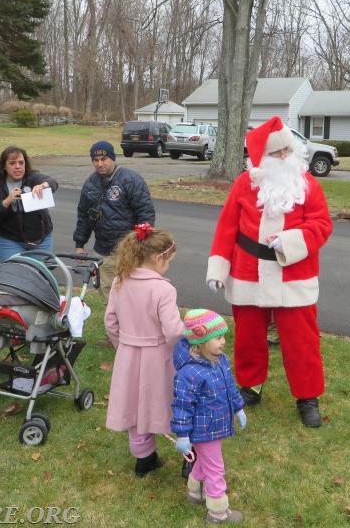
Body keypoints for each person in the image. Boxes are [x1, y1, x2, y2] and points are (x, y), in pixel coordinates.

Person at [205, 116, 333, 428]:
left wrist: (289, 241)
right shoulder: (243, 185)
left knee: (301, 342)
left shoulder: (308, 186)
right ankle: (250, 386)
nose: (285, 158)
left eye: (288, 151)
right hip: (248, 273)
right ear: (262, 157)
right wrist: (219, 267)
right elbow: (227, 228)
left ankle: (307, 396)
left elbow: (321, 225)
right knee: (248, 338)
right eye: (277, 154)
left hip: (294, 276)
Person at [104, 223, 182, 477]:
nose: (168, 266)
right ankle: (191, 457)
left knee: (135, 407)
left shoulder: (119, 282)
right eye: (168, 261)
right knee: (164, 402)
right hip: (157, 358)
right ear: (159, 258)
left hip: (128, 356)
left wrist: (124, 346)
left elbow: (110, 322)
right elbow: (172, 331)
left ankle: (144, 459)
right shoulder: (163, 289)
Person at [171, 308, 246, 525]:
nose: (223, 342)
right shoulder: (189, 373)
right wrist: (183, 435)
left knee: (205, 461)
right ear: (201, 341)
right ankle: (218, 512)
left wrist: (239, 407)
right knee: (216, 468)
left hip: (217, 425)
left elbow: (230, 386)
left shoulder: (219, 360)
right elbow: (182, 406)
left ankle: (194, 492)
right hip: (202, 429)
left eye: (223, 336)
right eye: (218, 337)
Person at [73, 140, 155, 299]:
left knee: (133, 294)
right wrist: (79, 244)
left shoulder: (131, 180)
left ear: (112, 158)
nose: (100, 164)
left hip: (129, 250)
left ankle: (133, 323)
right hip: (104, 251)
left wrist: (140, 242)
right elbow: (84, 215)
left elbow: (145, 213)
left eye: (104, 159)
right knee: (108, 293)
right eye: (95, 160)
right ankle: (112, 323)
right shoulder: (90, 184)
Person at [0, 146, 58, 261]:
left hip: (41, 239)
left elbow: (52, 182)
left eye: (21, 163)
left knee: (39, 275)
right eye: (12, 163)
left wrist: (43, 185)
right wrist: (7, 201)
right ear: (4, 166)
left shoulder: (33, 178)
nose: (17, 166)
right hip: (10, 241)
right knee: (13, 275)